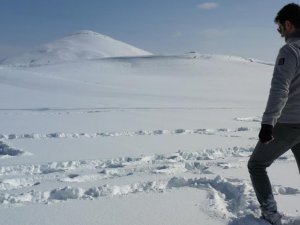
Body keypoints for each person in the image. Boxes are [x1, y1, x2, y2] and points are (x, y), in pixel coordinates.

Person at [248, 3, 300, 225]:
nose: (280, 34)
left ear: (288, 24)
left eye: (279, 28)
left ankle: (270, 214)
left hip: (288, 123)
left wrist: (268, 123)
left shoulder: (290, 50)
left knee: (256, 165)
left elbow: (280, 88)